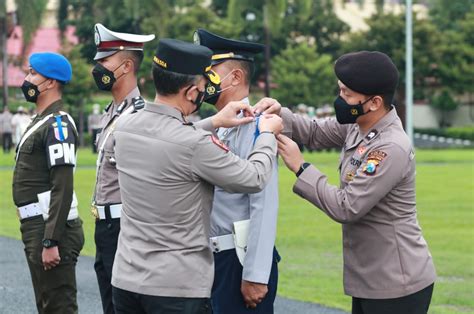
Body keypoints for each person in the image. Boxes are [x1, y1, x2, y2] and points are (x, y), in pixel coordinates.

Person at [255, 51, 436, 314]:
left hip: (397, 283)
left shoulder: (390, 147)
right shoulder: (358, 123)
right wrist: (279, 113)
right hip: (369, 279)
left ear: (374, 102)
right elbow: (315, 132)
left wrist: (301, 167)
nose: (340, 99)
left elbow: (347, 206)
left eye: (347, 94)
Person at [111, 38, 283, 314]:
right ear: (191, 92)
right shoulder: (198, 141)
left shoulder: (126, 125)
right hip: (176, 286)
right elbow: (254, 178)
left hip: (128, 280)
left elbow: (264, 206)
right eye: (205, 81)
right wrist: (267, 135)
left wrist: (256, 272)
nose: (208, 86)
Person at [194, 28, 280, 313]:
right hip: (210, 258)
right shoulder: (216, 125)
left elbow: (264, 205)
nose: (203, 79)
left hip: (239, 260)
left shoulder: (258, 127)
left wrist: (255, 274)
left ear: (236, 77)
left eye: (211, 71)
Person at [90, 23, 155, 314]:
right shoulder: (112, 113)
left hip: (126, 228)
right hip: (104, 227)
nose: (98, 68)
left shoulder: (141, 115)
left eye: (105, 61)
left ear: (127, 65)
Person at [12, 52, 84, 313]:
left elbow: (62, 186)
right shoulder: (41, 121)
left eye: (33, 73)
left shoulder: (58, 124)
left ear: (51, 82)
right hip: (35, 225)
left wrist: (51, 240)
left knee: (58, 307)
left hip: (50, 229)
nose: (27, 79)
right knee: (47, 305)